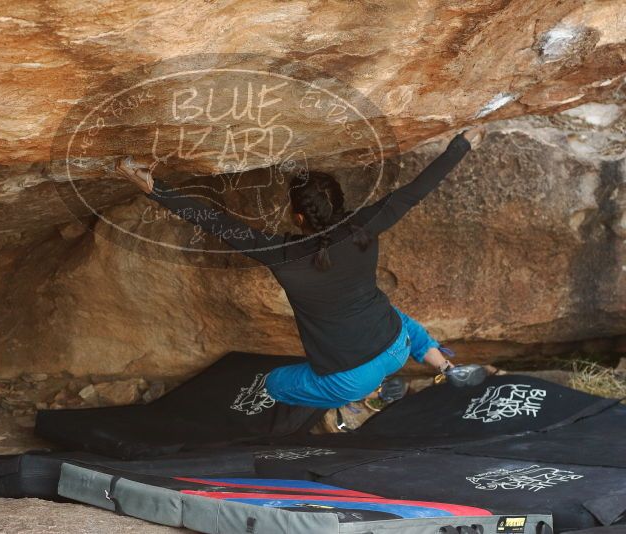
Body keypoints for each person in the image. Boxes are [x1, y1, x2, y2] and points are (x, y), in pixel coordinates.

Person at [115, 127, 487, 415]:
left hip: (348, 379)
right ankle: (441, 363)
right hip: (394, 346)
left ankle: (360, 398)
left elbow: (214, 221)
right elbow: (414, 190)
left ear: (297, 216)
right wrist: (462, 145)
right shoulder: (364, 227)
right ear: (340, 203)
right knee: (395, 317)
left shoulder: (280, 253)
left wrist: (154, 188)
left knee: (273, 383)